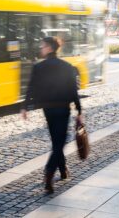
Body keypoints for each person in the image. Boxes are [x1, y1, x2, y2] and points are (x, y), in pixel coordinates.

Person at [21, 36, 83, 194]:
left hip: (47, 109)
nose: (40, 49)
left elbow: (31, 87)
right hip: (63, 109)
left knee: (57, 141)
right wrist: (79, 110)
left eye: (42, 46)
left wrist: (25, 107)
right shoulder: (67, 66)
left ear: (49, 48)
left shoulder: (39, 67)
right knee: (59, 142)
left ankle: (62, 170)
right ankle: (49, 173)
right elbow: (73, 91)